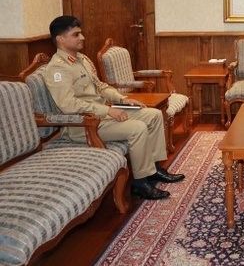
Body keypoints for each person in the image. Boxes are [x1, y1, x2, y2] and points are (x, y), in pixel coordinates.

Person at [44, 15, 184, 200]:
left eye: (81, 33)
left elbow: (101, 86)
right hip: (84, 125)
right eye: (76, 34)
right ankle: (140, 183)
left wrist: (123, 99)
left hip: (103, 114)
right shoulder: (58, 69)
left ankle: (153, 169)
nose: (82, 37)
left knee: (154, 115)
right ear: (61, 39)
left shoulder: (81, 59)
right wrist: (108, 110)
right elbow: (68, 105)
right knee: (138, 128)